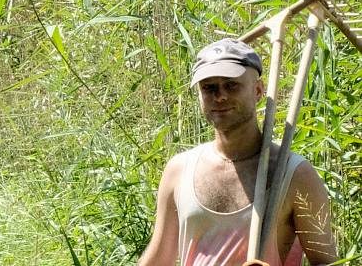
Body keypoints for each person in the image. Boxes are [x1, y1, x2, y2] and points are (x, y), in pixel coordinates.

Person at [139, 39, 338, 266]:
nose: (220, 96)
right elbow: (158, 259)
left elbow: (325, 262)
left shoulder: (293, 173)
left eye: (231, 85)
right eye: (209, 87)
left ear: (258, 90)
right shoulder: (179, 170)